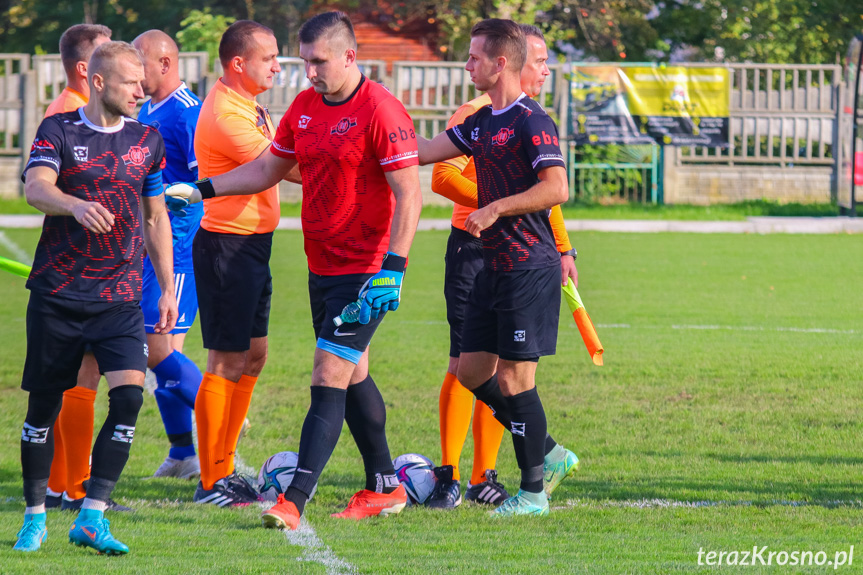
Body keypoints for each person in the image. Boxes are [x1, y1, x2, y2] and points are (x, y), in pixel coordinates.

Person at [166, 11, 423, 529]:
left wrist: (393, 269)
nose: (308, 72)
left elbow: (410, 193)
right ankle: (386, 485)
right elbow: (268, 169)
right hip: (320, 265)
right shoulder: (305, 107)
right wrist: (204, 189)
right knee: (354, 377)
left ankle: (294, 499)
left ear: (350, 56)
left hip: (365, 270)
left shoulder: (382, 110)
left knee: (328, 373)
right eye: (303, 61)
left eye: (318, 61)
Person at [14, 41, 176, 554]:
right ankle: (35, 515)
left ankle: (92, 515)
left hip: (120, 297)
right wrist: (73, 205)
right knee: (43, 410)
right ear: (100, 82)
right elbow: (35, 188)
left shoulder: (147, 140)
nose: (142, 89)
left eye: (143, 80)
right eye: (132, 81)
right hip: (58, 295)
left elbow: (155, 217)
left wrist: (168, 285)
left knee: (129, 397)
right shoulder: (58, 130)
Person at [417, 19, 578, 517]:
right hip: (490, 265)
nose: (467, 65)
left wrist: (496, 207)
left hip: (528, 266)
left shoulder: (533, 120)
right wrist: (375, 136)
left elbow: (557, 189)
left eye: (473, 57)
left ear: (500, 62)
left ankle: (532, 493)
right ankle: (549, 450)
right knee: (470, 372)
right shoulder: (482, 121)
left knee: (515, 379)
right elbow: (425, 153)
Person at [188, 20, 284, 507]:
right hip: (227, 248)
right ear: (238, 63)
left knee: (255, 355)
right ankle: (212, 479)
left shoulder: (250, 105)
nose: (278, 65)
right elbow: (285, 166)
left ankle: (225, 464)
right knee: (225, 360)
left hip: (255, 245)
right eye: (269, 58)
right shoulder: (227, 113)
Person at [42, 23, 115, 512]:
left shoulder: (69, 106)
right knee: (82, 376)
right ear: (88, 70)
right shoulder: (71, 114)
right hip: (78, 269)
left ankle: (61, 483)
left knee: (80, 377)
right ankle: (72, 486)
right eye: (108, 55)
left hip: (84, 267)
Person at [133, 29, 204, 481]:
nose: (132, 73)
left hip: (177, 251)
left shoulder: (187, 113)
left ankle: (221, 427)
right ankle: (183, 453)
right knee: (158, 352)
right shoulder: (144, 109)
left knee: (156, 347)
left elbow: (208, 185)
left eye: (139, 62)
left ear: (164, 63)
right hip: (148, 250)